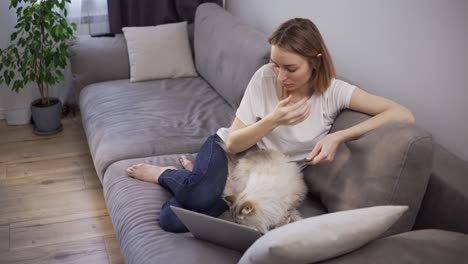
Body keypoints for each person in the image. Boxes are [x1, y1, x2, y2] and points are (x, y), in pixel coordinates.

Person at [126, 18, 415, 233]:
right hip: (227, 154)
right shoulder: (264, 78)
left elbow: (401, 114)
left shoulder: (334, 93)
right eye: (276, 65)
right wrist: (273, 120)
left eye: (290, 69)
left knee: (172, 221)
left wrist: (339, 136)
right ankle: (166, 174)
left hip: (263, 178)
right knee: (199, 196)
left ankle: (192, 179)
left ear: (315, 62)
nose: (280, 76)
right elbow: (234, 143)